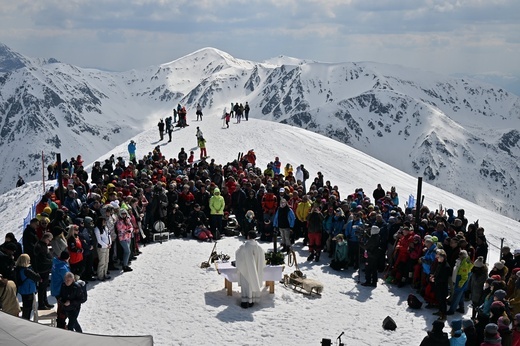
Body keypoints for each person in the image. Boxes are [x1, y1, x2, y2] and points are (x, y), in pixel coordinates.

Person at [235, 230, 265, 308]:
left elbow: (238, 254)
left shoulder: (244, 246)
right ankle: (251, 301)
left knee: (246, 285)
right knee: (253, 283)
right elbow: (262, 260)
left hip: (246, 269)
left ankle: (245, 302)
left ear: (248, 236)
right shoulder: (259, 247)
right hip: (255, 271)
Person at [15, 253, 41, 320]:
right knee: (28, 308)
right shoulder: (27, 270)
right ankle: (26, 320)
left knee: (25, 306)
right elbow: (37, 277)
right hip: (28, 290)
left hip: (22, 290)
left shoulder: (17, 269)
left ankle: (25, 319)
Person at [33, 232, 54, 309]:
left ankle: (45, 302)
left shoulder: (43, 245)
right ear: (46, 238)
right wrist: (51, 261)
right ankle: (41, 304)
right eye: (49, 240)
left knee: (44, 287)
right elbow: (42, 259)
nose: (49, 242)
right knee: (42, 288)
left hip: (46, 269)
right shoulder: (39, 246)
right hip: (42, 269)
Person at [432, 249, 452, 321]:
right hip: (438, 285)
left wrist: (435, 279)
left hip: (442, 287)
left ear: (442, 257)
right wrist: (433, 276)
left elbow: (444, 278)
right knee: (439, 300)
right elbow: (437, 272)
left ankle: (443, 315)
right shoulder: (440, 264)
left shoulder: (446, 267)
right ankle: (440, 311)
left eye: (438, 257)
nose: (437, 259)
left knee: (443, 301)